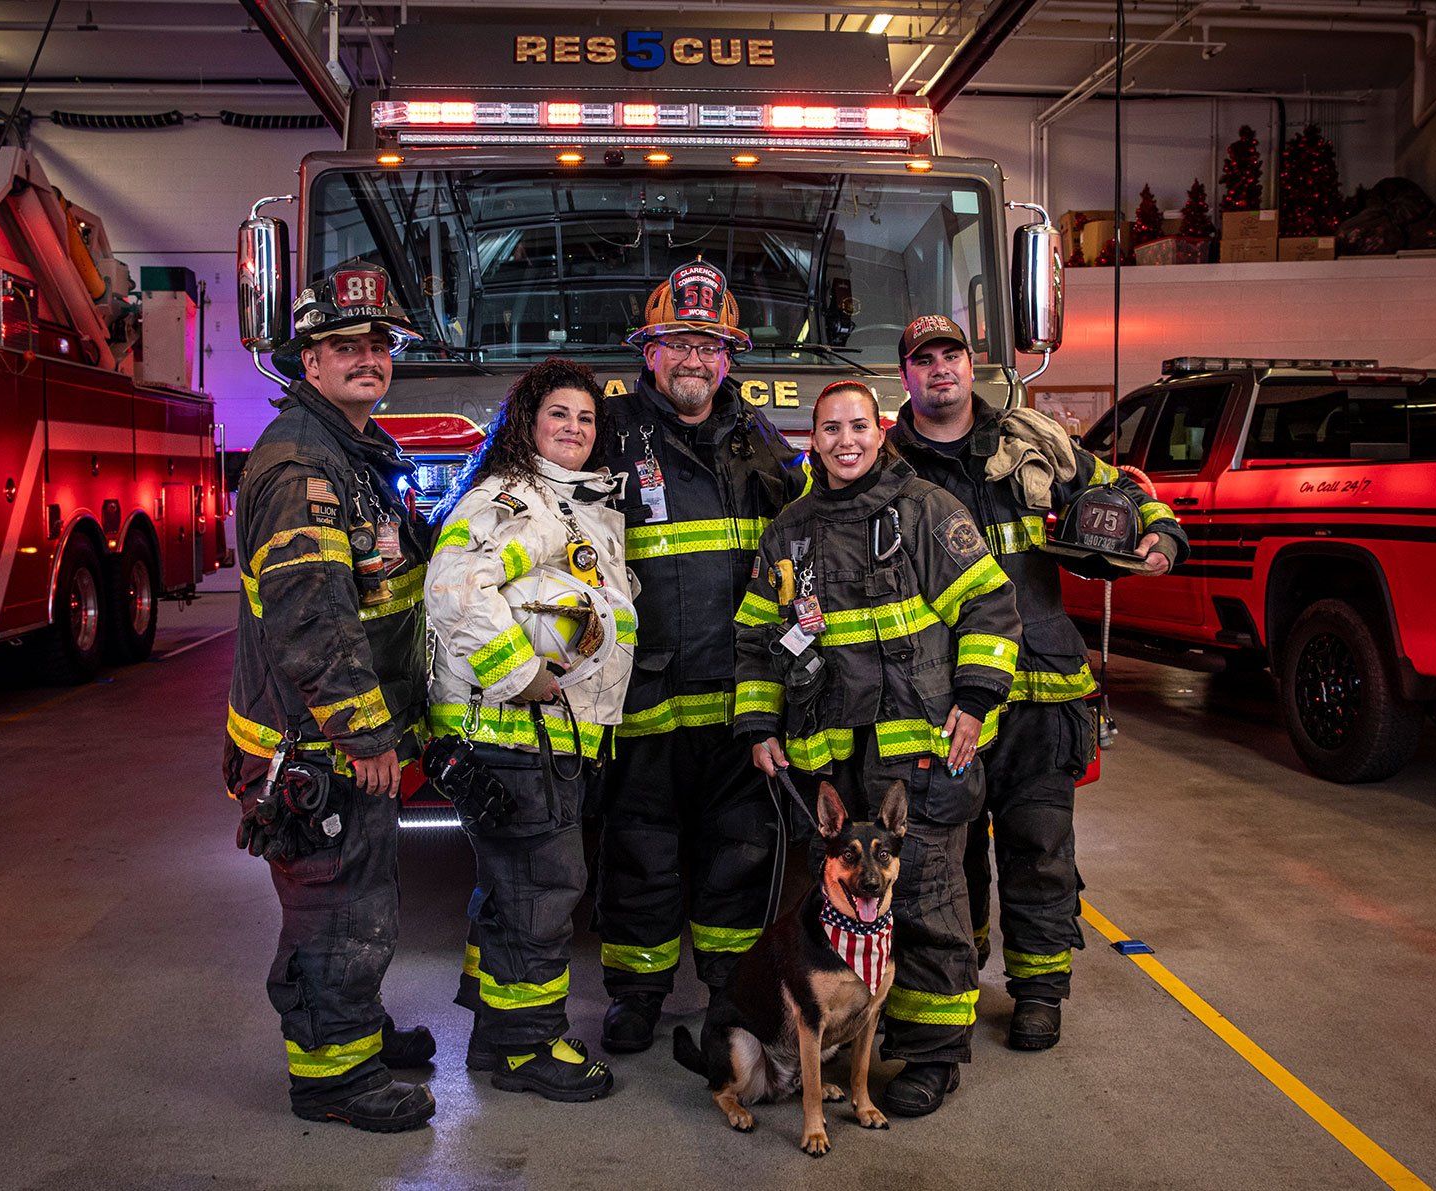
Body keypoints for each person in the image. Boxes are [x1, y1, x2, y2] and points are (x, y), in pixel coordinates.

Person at [886, 314, 1189, 1052]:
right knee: (950, 857)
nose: (939, 369)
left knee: (1040, 849)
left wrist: (1162, 535)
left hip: (1041, 690)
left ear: (971, 363)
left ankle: (1040, 991)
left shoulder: (1034, 443)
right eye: (922, 360)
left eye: (950, 354)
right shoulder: (886, 464)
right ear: (906, 377)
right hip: (945, 697)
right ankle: (963, 976)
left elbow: (1122, 490)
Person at [735, 380, 1022, 1118]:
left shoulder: (927, 510)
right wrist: (760, 727)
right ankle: (854, 1035)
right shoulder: (789, 532)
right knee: (837, 907)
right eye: (829, 429)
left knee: (928, 902)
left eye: (857, 425)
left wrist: (978, 697)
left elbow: (990, 603)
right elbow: (758, 640)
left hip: (918, 757)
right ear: (814, 441)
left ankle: (930, 1058)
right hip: (828, 766)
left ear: (880, 429)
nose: (845, 441)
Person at [223, 260, 437, 1132]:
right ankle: (334, 1077)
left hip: (333, 739)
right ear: (307, 362)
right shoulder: (302, 467)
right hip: (314, 747)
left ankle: (355, 1030)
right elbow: (314, 616)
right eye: (345, 346)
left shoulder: (349, 453)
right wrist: (363, 728)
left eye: (378, 344)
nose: (368, 358)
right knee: (334, 906)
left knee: (362, 897)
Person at [592, 258, 803, 1054]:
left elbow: (815, 535)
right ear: (648, 351)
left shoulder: (762, 444)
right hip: (642, 696)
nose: (694, 359)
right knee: (638, 845)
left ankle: (726, 995)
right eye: (678, 341)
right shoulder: (606, 435)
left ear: (729, 357)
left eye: (711, 345)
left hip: (738, 699)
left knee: (737, 854)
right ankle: (637, 995)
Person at [423, 359, 637, 1102]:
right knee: (545, 888)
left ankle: (493, 1029)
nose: (575, 427)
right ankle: (527, 1046)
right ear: (528, 424)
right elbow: (455, 588)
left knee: (512, 886)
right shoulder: (520, 502)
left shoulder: (569, 505)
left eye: (585, 417)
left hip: (539, 740)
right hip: (518, 736)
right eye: (560, 415)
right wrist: (523, 675)